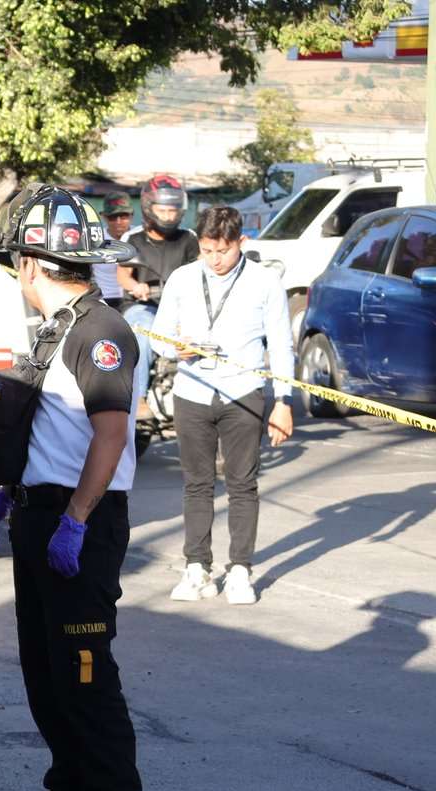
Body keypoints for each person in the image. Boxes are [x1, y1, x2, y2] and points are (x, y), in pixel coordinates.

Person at [0, 184, 145, 791]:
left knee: (84, 670)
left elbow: (110, 435)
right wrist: (11, 495)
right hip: (41, 512)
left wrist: (74, 519)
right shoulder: (60, 328)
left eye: (14, 263)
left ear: (30, 264)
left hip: (81, 519)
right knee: (46, 673)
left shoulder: (100, 332)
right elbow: (53, 431)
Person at [148, 205, 295, 605]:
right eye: (207, 250)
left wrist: (283, 401)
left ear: (241, 242)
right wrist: (177, 348)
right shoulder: (183, 278)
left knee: (242, 484)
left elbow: (281, 344)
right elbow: (158, 336)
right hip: (192, 392)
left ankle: (241, 570)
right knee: (196, 484)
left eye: (224, 251)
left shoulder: (265, 281)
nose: (214, 260)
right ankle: (197, 567)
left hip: (243, 393)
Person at [116, 175, 199, 397]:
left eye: (173, 210)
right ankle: (139, 396)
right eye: (162, 211)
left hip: (180, 310)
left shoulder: (189, 238)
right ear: (148, 208)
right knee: (144, 333)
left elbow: (200, 271)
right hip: (142, 306)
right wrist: (136, 286)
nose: (168, 216)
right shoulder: (133, 238)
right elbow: (123, 275)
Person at [89, 194, 133, 304]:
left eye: (123, 216)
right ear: (103, 217)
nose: (118, 222)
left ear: (132, 215)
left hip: (135, 298)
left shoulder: (140, 237)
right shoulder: (94, 239)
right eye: (112, 217)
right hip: (104, 298)